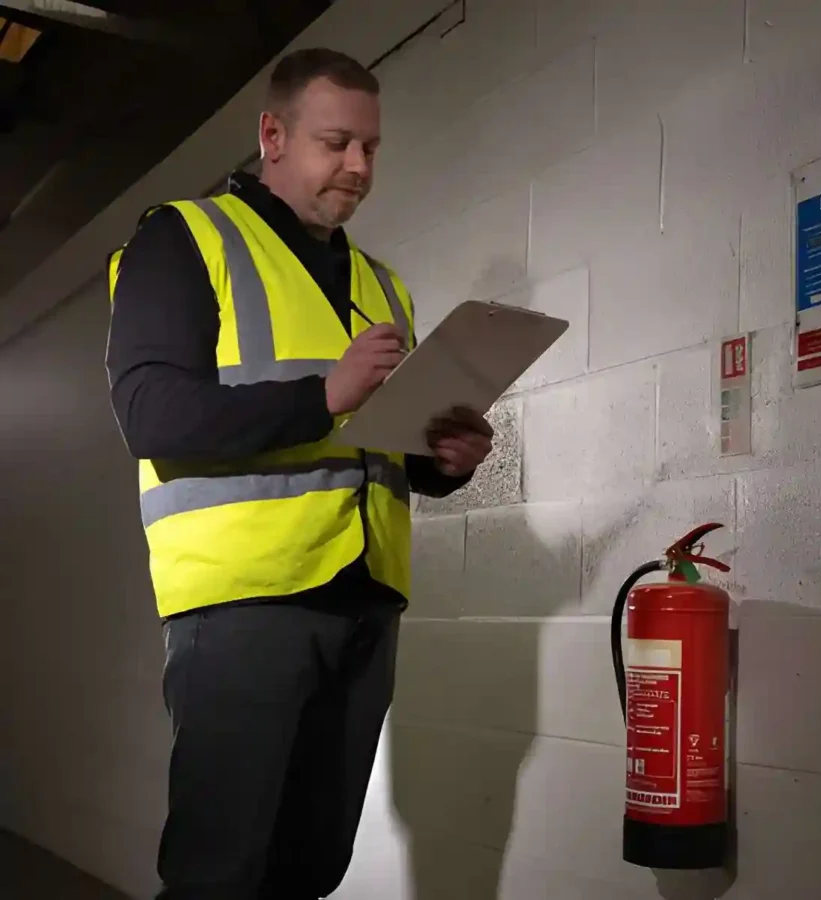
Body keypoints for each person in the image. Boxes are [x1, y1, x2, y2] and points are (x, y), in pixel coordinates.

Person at [104, 47, 493, 900]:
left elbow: (376, 443)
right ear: (272, 136)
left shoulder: (381, 284)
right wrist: (325, 394)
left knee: (309, 870)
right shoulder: (183, 239)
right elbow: (151, 417)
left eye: (371, 148)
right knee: (219, 873)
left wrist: (442, 463)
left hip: (364, 602)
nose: (358, 166)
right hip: (246, 603)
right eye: (335, 142)